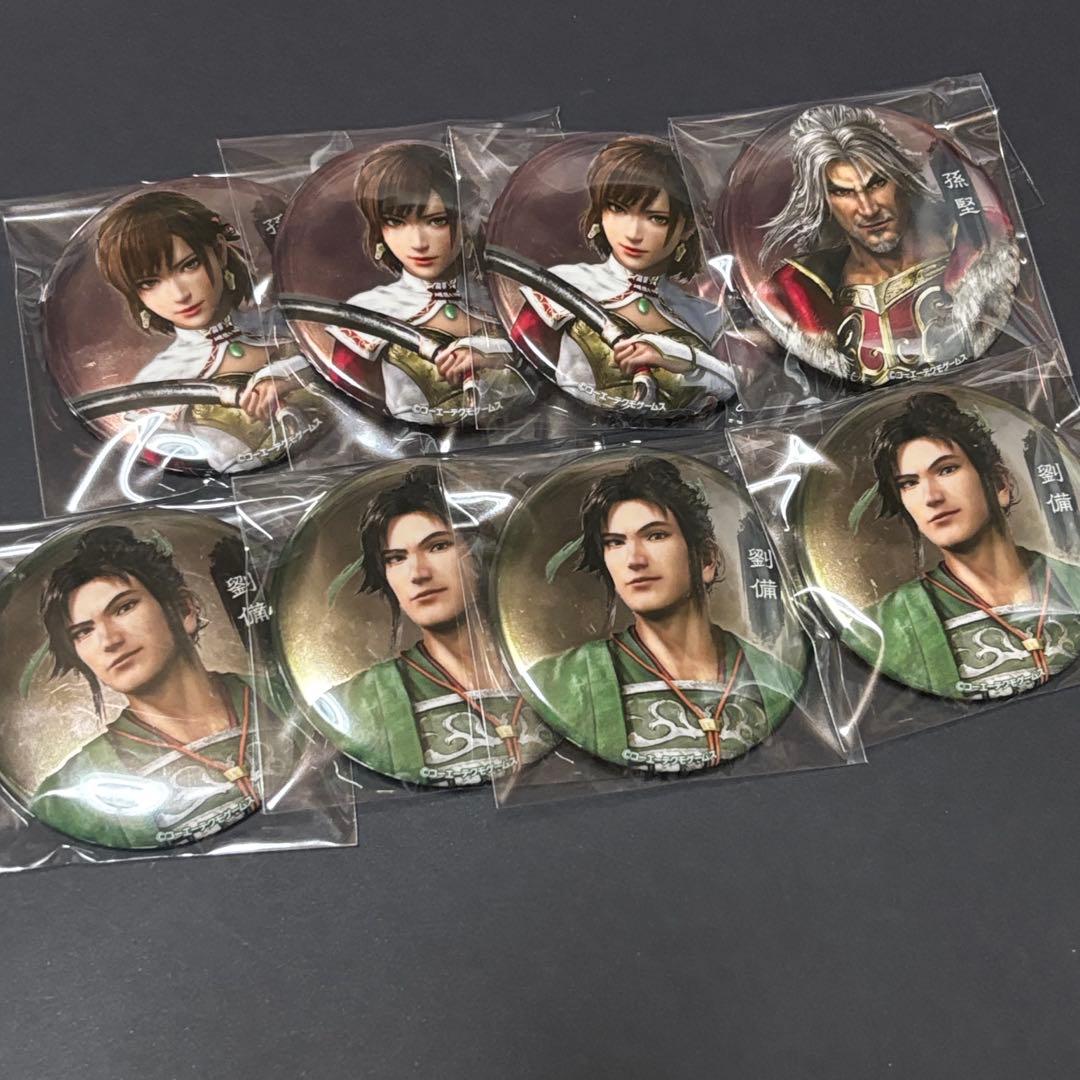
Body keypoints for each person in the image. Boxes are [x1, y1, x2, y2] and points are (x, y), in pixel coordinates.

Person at [528, 458, 800, 772]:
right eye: (615, 543)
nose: (634, 559)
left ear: (706, 559)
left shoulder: (777, 679)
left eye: (655, 535)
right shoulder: (559, 682)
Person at [314, 467, 555, 785]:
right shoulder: (353, 703)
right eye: (396, 558)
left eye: (438, 546)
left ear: (479, 556)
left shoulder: (565, 674)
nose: (418, 573)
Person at [30, 526, 265, 848]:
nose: (109, 640)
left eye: (124, 607)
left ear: (184, 610)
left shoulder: (290, 698)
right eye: (83, 632)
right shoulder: (64, 798)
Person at [756, 105, 1019, 385]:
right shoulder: (801, 292)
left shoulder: (976, 249)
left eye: (877, 183)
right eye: (843, 192)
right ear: (824, 202)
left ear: (902, 178)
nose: (868, 209)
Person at [844, 392, 1080, 699]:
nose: (931, 497)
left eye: (946, 469)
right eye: (909, 483)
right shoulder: (883, 627)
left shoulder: (1072, 581)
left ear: (1000, 484)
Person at [510, 135, 736, 414]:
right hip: (574, 428)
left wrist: (681, 357)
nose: (633, 233)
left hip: (690, 434)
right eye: (617, 209)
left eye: (656, 218)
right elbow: (519, 373)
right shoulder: (563, 285)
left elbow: (738, 386)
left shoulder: (705, 315)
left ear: (687, 228)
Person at [96, 190, 316, 472]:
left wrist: (288, 375)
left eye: (189, 265)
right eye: (149, 283)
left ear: (220, 251)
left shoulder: (288, 323)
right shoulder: (158, 381)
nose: (179, 295)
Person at [325, 142, 531, 425]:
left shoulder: (502, 299)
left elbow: (546, 374)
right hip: (406, 442)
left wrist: (495, 356)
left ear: (466, 220)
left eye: (436, 221)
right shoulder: (368, 311)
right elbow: (346, 404)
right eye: (395, 222)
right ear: (378, 229)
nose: (418, 243)